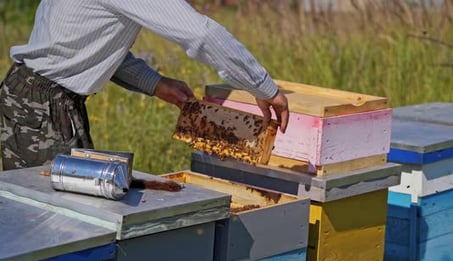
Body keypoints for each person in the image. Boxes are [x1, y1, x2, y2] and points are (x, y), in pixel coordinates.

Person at [0, 0, 289, 171]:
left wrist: (155, 83)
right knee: (60, 227)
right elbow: (200, 34)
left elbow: (84, 46)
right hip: (43, 110)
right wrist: (264, 87)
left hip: (28, 96)